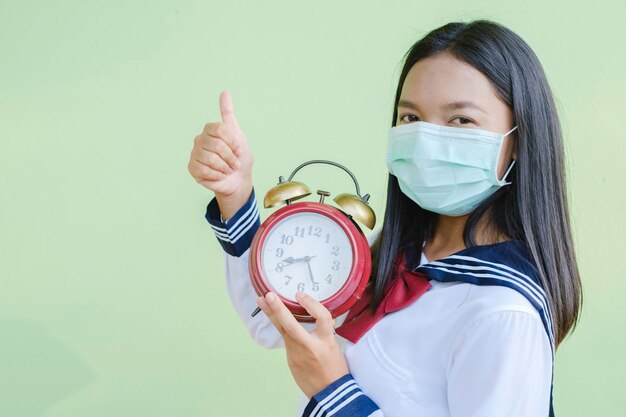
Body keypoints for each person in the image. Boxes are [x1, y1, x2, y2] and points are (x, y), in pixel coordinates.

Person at [187, 19, 582, 417]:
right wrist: (234, 194)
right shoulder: (400, 257)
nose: (426, 139)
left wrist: (334, 392)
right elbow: (274, 322)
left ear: (518, 140)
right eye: (411, 118)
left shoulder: (501, 313)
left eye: (461, 120)